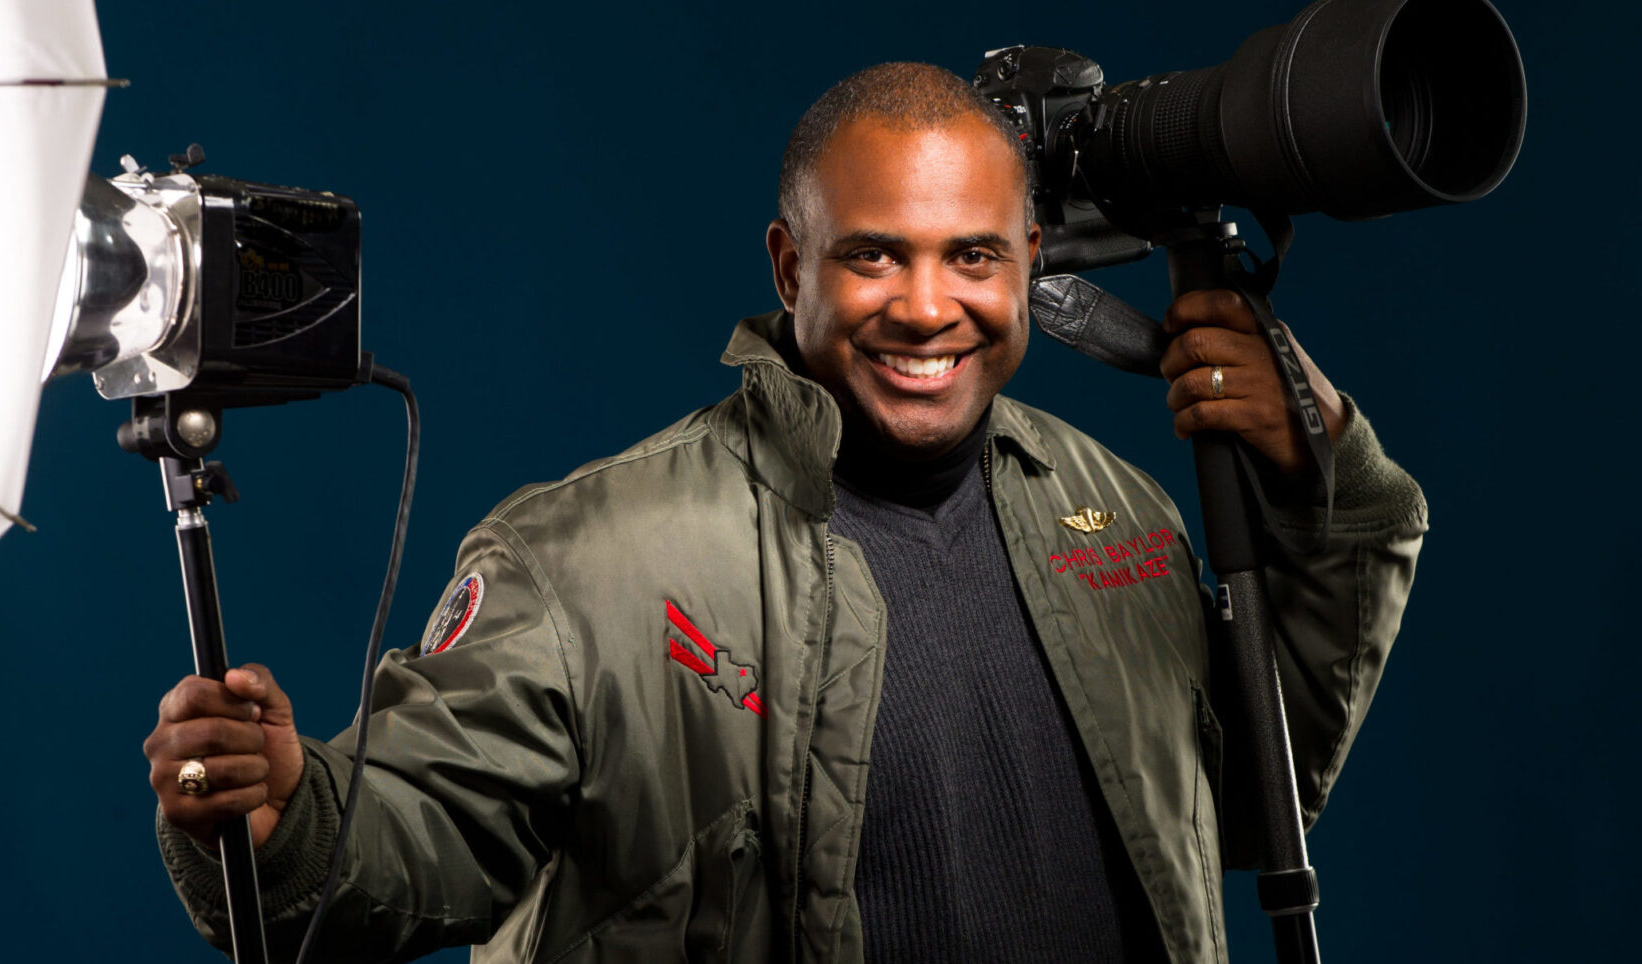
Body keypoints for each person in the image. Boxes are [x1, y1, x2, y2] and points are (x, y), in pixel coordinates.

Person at [144, 62, 1425, 963]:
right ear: (788, 266)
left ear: (1031, 264)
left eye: (972, 256)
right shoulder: (587, 559)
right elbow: (422, 836)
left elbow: (1251, 808)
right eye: (875, 253)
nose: (928, 307)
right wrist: (291, 812)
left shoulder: (1117, 512)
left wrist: (1326, 488)